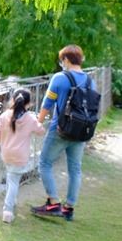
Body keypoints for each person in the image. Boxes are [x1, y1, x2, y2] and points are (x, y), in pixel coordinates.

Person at [31, 44, 95, 222]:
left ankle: (53, 202)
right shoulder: (91, 81)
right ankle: (69, 208)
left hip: (60, 129)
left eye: (62, 60)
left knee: (44, 163)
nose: (61, 63)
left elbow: (48, 102)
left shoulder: (60, 77)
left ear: (66, 60)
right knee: (75, 169)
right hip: (82, 130)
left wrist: (38, 121)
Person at [0, 88, 46, 224]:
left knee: (10, 176)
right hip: (20, 156)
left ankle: (12, 201)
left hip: (6, 153)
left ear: (12, 100)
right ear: (29, 104)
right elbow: (41, 131)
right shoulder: (30, 118)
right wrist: (38, 121)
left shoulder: (4, 116)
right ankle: (8, 210)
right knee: (14, 180)